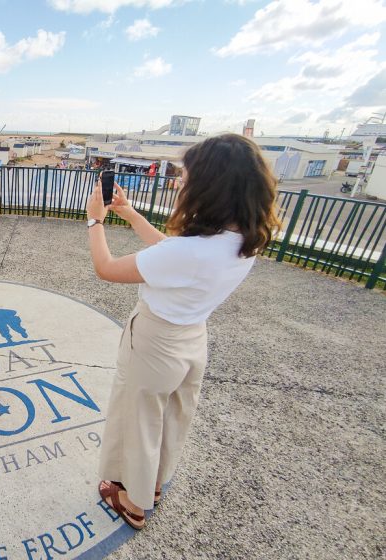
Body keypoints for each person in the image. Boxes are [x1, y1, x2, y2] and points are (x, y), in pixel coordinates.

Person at [86, 134, 280, 531]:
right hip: (192, 339)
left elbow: (107, 269)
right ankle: (153, 486)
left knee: (139, 420)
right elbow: (169, 256)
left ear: (210, 185)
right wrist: (132, 215)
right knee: (173, 416)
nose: (179, 182)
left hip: (155, 343)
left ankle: (134, 503)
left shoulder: (189, 253)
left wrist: (96, 220)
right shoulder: (244, 240)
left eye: (186, 176)